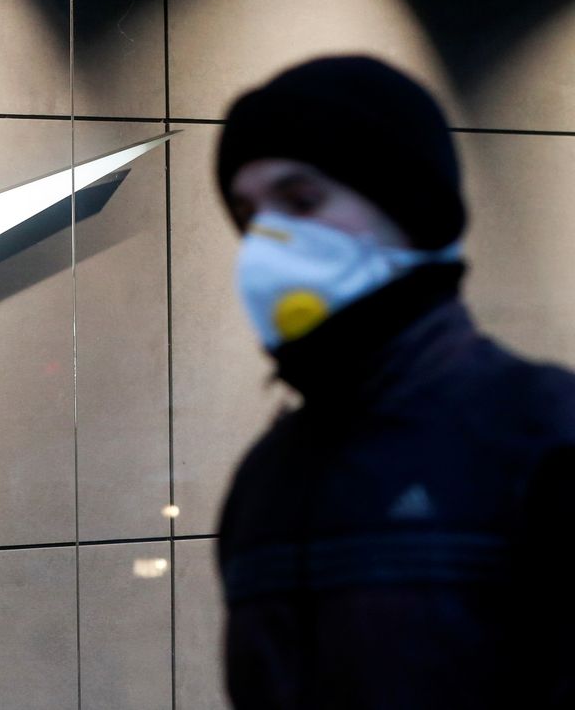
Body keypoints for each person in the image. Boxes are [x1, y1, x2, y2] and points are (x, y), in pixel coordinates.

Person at [213, 55, 575, 709]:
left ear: (407, 208)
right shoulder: (264, 481)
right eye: (248, 214)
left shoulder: (543, 432)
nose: (265, 246)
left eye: (300, 201)